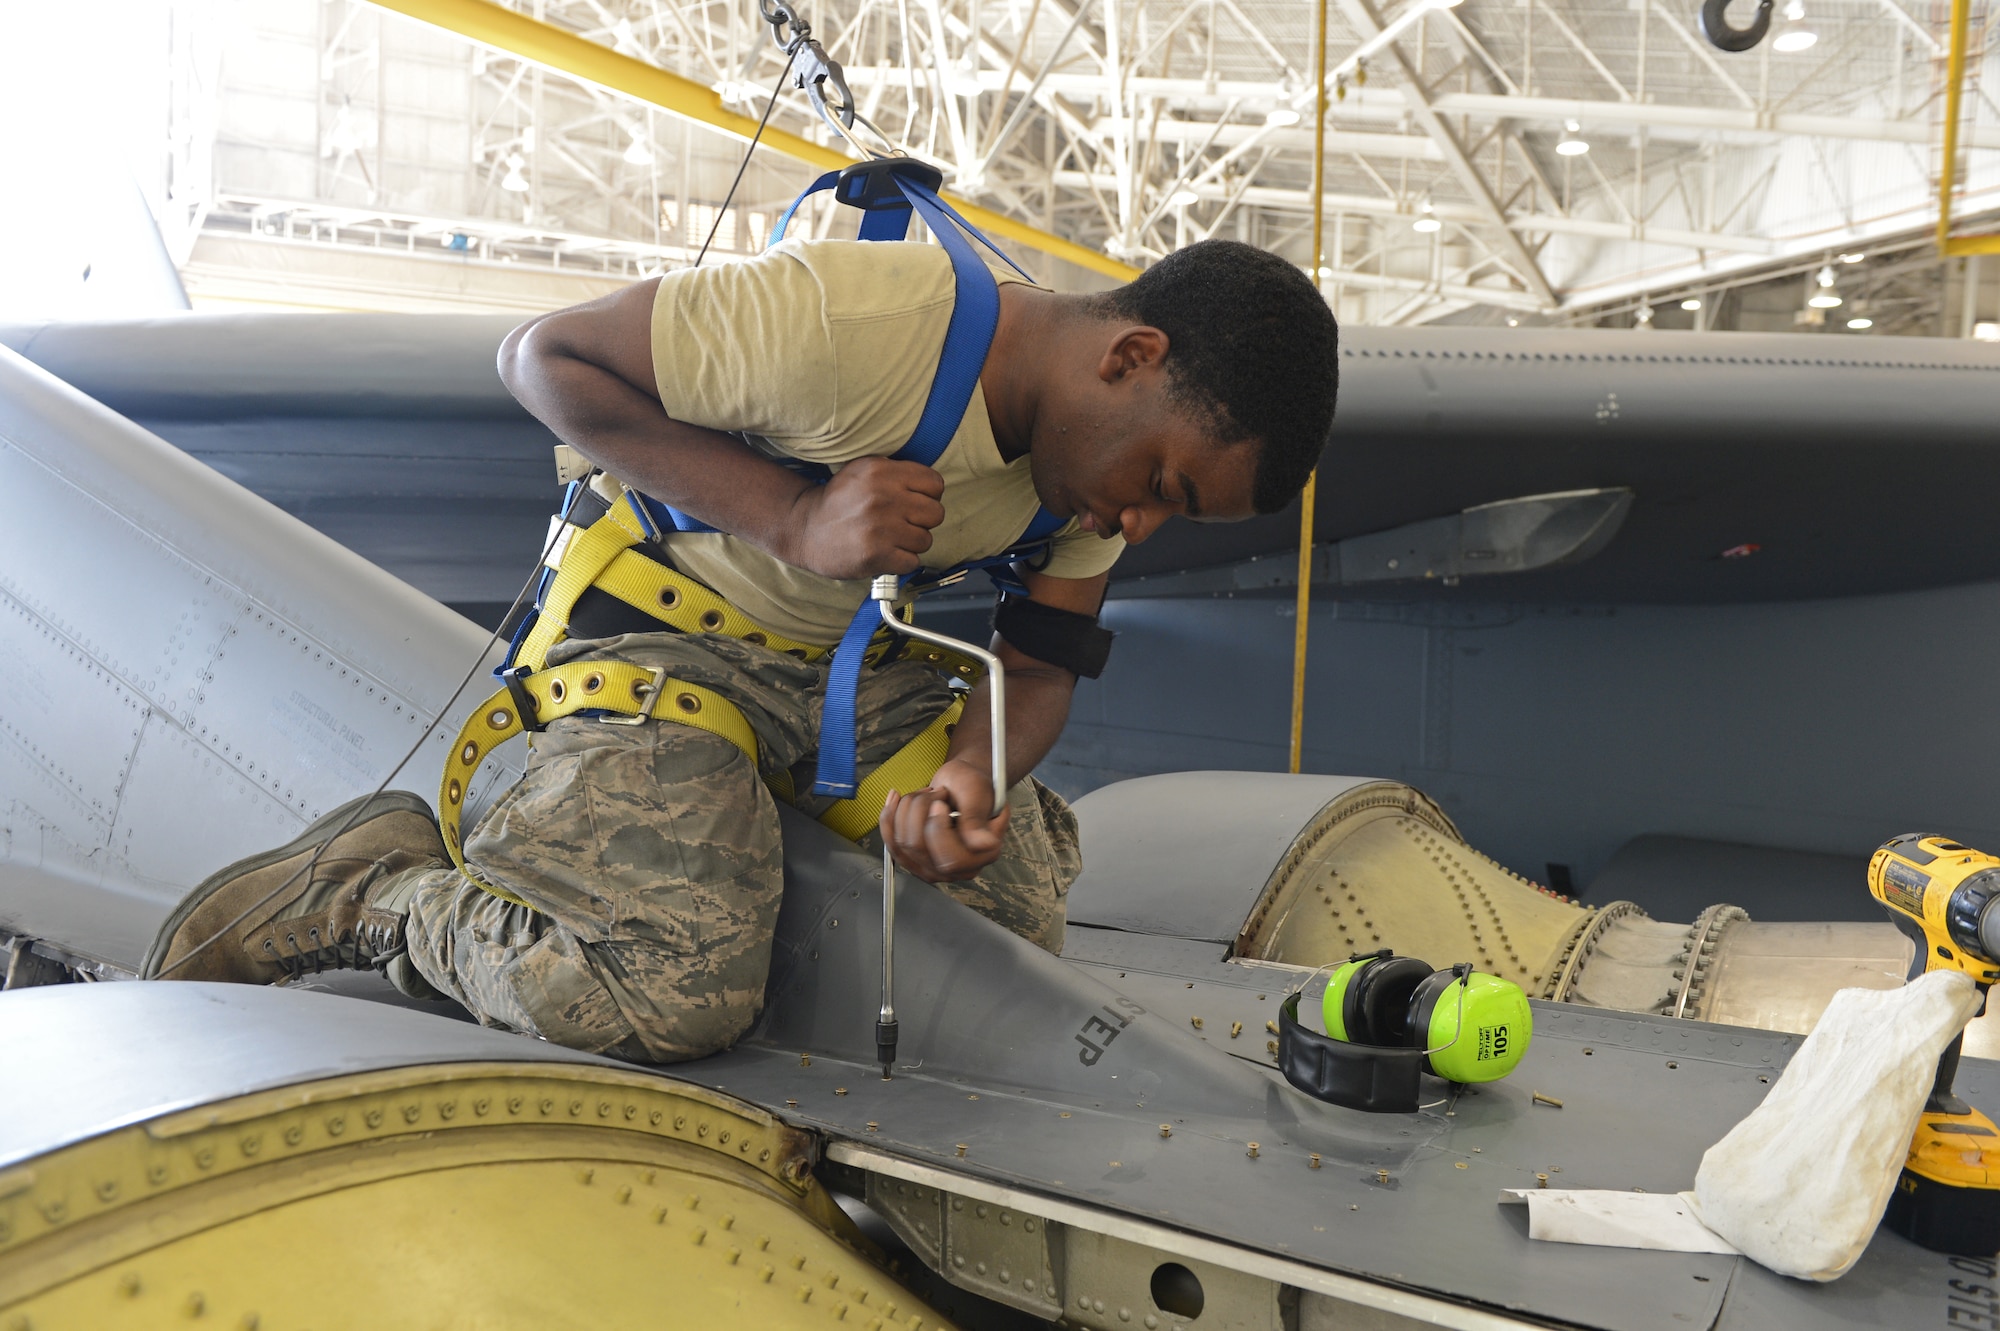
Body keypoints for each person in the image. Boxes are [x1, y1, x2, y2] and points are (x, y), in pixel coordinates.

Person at [143, 234, 1340, 1064]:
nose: (1135, 526)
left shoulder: (1090, 471)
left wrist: (971, 778)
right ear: (1126, 358)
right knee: (668, 998)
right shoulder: (851, 326)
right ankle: (380, 889)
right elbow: (542, 357)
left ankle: (723, 834)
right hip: (652, 650)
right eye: (1160, 488)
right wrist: (791, 517)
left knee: (1010, 928)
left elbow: (1030, 664)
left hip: (834, 677)